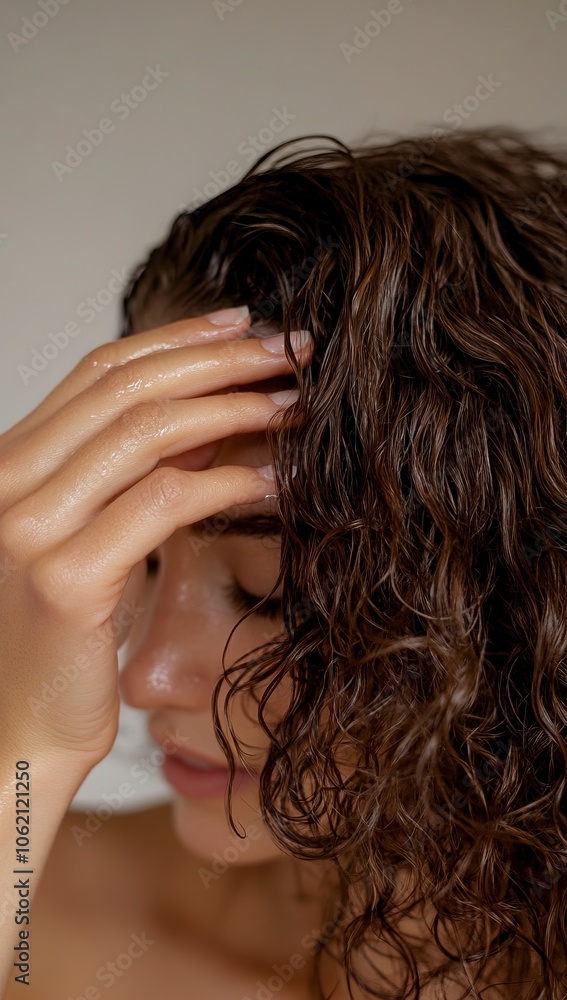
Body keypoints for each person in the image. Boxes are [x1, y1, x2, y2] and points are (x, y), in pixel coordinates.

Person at [0, 125, 566, 1000]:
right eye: (135, 565)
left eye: (275, 597)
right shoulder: (36, 918)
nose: (143, 677)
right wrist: (18, 761)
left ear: (519, 602)